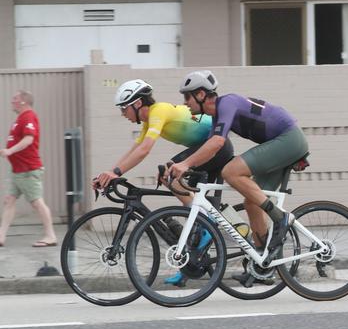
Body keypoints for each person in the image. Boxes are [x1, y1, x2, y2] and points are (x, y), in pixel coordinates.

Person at [167, 70, 309, 260]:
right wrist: (185, 168)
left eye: (187, 96)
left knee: (231, 172)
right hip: (283, 141)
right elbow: (212, 150)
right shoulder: (217, 116)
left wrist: (185, 164)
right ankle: (263, 260)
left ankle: (280, 217)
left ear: (201, 94)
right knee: (251, 202)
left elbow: (217, 142)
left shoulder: (227, 102)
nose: (185, 102)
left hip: (289, 138)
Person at [93, 79, 234, 207]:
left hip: (217, 148)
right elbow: (134, 150)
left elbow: (144, 150)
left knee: (168, 173)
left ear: (138, 103)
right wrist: (110, 172)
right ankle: (206, 221)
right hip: (207, 149)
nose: (123, 113)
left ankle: (203, 219)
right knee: (185, 192)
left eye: (124, 108)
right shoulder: (148, 122)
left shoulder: (159, 110)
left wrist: (117, 172)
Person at [0, 90, 57, 247]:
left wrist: (10, 151)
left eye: (15, 98)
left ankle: (50, 235)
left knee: (37, 203)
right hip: (17, 170)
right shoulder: (20, 118)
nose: (12, 101)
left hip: (28, 170)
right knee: (9, 201)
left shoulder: (29, 116)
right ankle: (1, 236)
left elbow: (29, 139)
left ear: (23, 101)